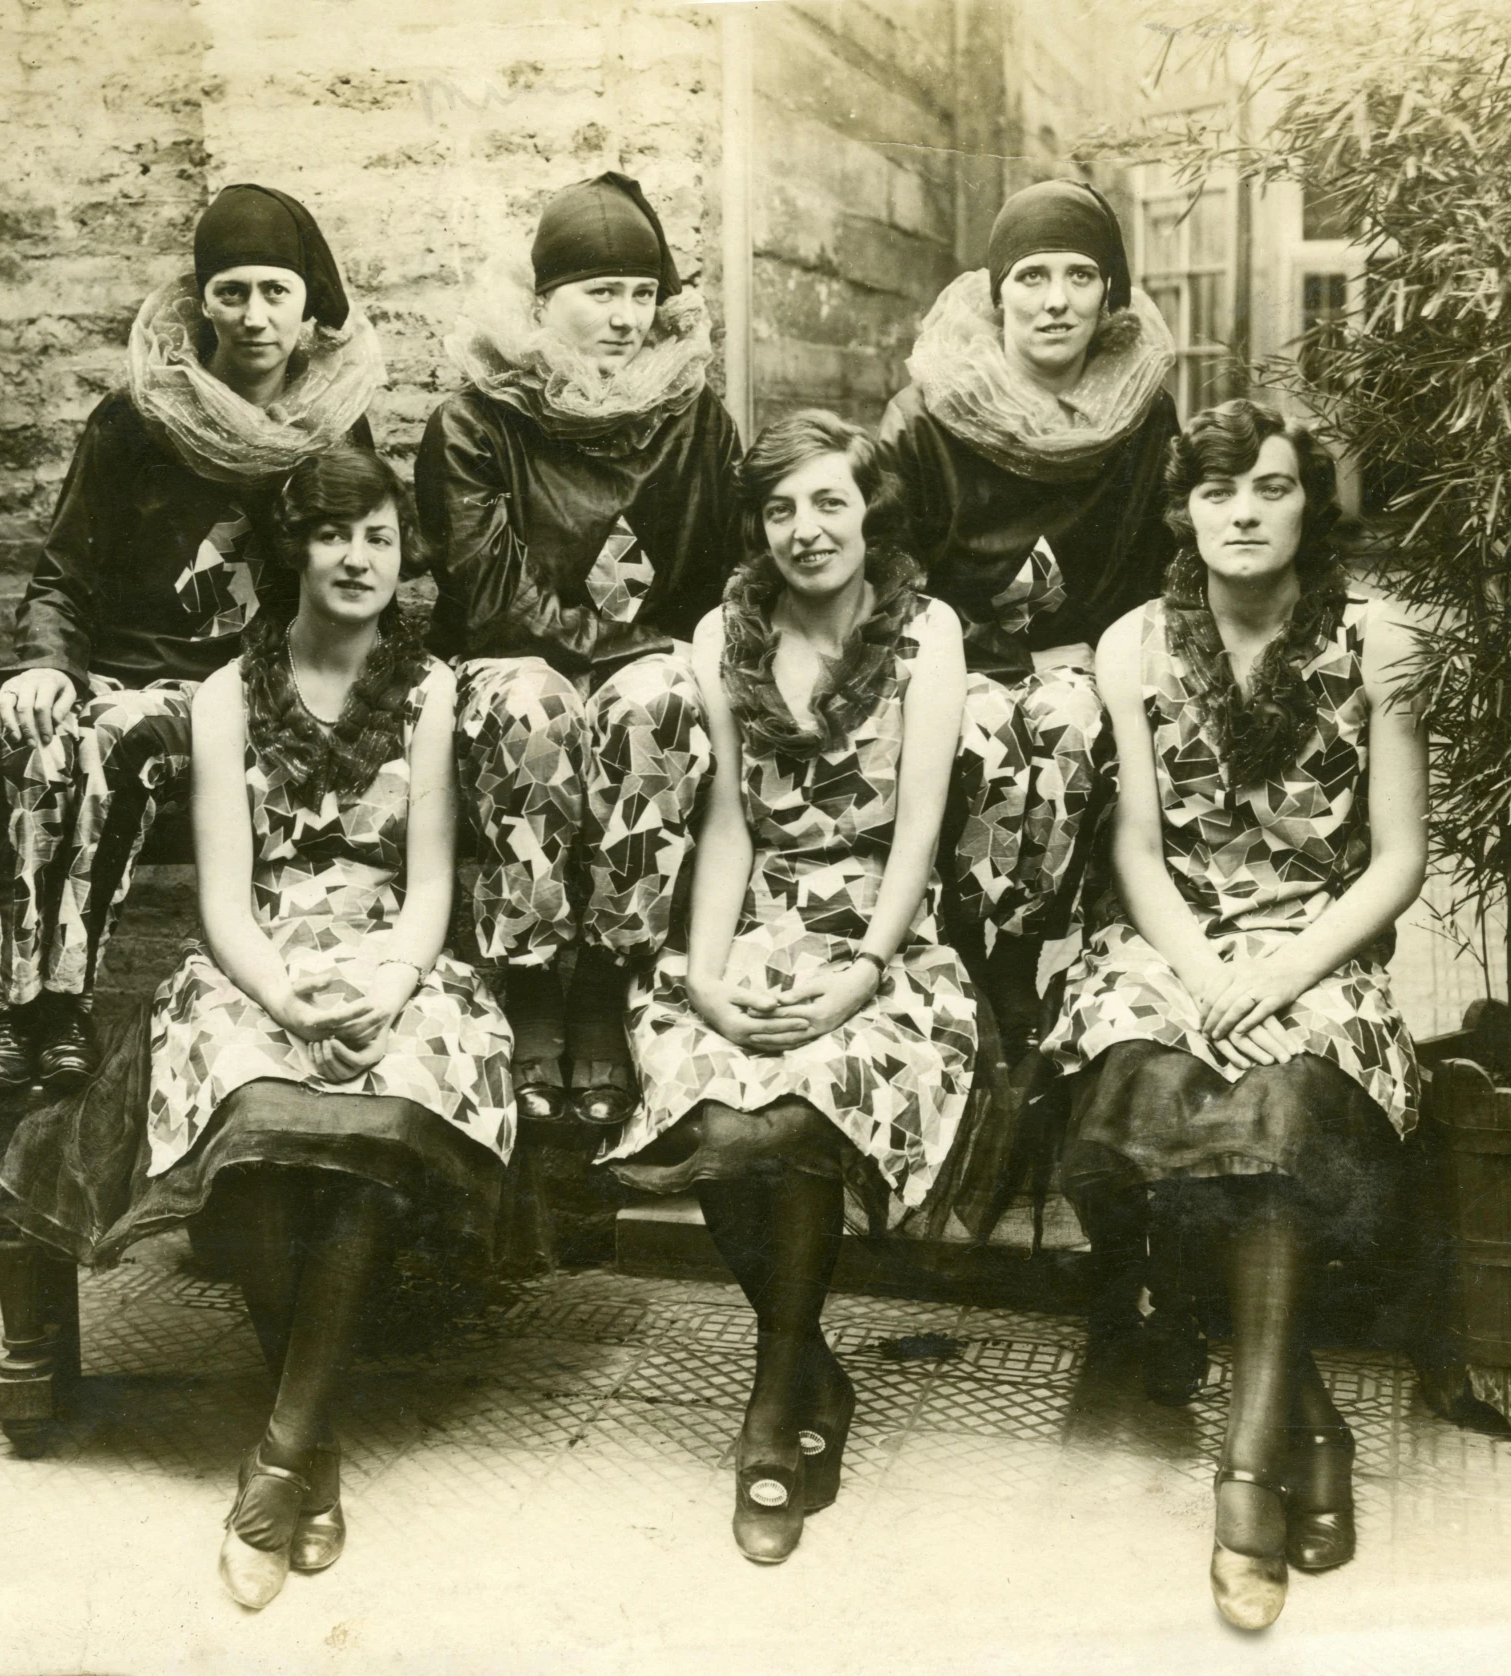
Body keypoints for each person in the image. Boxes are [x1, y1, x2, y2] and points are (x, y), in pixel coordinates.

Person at [0, 444, 513, 1611]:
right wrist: (282, 998)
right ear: (294, 548)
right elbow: (224, 899)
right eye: (334, 533)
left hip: (390, 958)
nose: (358, 556)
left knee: (377, 1112)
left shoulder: (429, 691)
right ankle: (311, 1447)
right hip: (260, 959)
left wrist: (386, 983)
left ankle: (280, 1452)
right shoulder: (226, 693)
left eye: (379, 535)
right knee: (264, 1109)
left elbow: (428, 885)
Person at [1040, 399, 1427, 1630]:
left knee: (1276, 1111)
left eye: (1268, 487)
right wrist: (1207, 976)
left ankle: (1245, 1478)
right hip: (1176, 940)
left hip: (1321, 944)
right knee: (1144, 1069)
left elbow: (1395, 861)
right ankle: (1306, 1427)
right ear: (1182, 511)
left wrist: (1280, 975)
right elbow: (1137, 850)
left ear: (1308, 502)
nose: (1244, 513)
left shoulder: (1379, 642)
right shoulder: (1131, 645)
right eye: (1217, 493)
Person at [599, 410, 976, 1564]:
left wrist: (863, 970)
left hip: (881, 935)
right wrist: (705, 978)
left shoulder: (926, 634)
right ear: (757, 528)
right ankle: (807, 1358)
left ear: (870, 509)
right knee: (714, 1103)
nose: (805, 529)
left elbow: (917, 831)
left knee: (801, 1102)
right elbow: (724, 824)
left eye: (827, 502)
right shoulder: (724, 633)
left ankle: (773, 1397)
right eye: (779, 509)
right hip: (757, 918)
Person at [0, 184, 383, 1094]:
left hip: (263, 697)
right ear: (204, 304)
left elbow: (357, 565)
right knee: (43, 741)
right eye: (232, 292)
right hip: (134, 680)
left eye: (276, 291)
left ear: (308, 304)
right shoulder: (136, 421)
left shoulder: (330, 427)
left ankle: (62, 998)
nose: (255, 317)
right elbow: (63, 574)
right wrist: (42, 667)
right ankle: (34, 1008)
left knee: (130, 735)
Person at [878, 177, 1190, 1395]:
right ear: (994, 294)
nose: (1054, 300)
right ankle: (990, 1006)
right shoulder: (930, 412)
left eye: (1077, 278)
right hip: (955, 663)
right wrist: (969, 647)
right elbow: (889, 565)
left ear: (1109, 296)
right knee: (990, 729)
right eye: (1030, 279)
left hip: (1087, 668)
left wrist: (1097, 649)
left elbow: (1164, 562)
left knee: (1060, 723)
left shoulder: (1140, 410)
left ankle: (1018, 1014)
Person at [416, 172, 742, 1129]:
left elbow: (727, 569)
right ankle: (526, 980)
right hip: (510, 661)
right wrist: (608, 654)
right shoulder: (476, 419)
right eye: (600, 294)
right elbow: (490, 593)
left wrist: (656, 658)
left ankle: (605, 977)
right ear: (542, 303)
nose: (627, 318)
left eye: (643, 294)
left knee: (661, 702)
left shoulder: (693, 416)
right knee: (535, 705)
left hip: (648, 664)